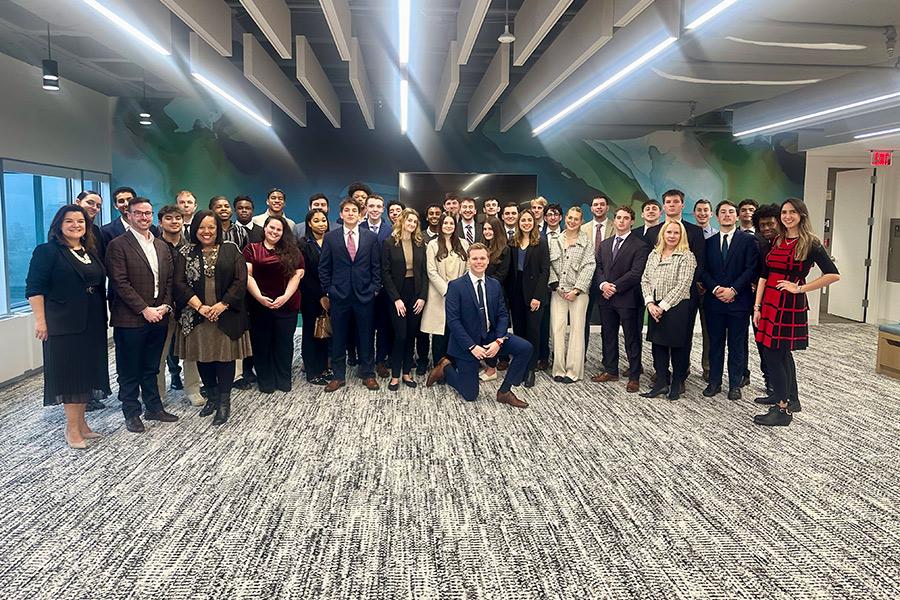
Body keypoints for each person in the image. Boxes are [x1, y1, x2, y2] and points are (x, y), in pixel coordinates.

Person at [26, 205, 111, 449]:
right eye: (70, 221)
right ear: (58, 225)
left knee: (86, 373)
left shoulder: (89, 251)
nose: (76, 225)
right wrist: (41, 321)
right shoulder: (47, 251)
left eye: (81, 221)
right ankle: (72, 429)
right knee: (71, 377)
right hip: (63, 325)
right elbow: (34, 288)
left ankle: (83, 423)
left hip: (92, 323)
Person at [752, 198, 840, 426]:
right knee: (780, 354)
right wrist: (757, 306)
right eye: (784, 212)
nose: (787, 216)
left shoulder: (811, 242)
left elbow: (833, 274)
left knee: (774, 354)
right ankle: (792, 399)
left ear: (802, 215)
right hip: (769, 302)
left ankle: (782, 410)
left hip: (788, 305)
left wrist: (800, 287)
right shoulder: (777, 240)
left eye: (792, 212)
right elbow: (764, 274)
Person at [426, 244, 531, 409]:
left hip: (490, 337)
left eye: (482, 258)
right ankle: (445, 368)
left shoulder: (494, 284)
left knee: (525, 348)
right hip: (466, 343)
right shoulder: (455, 286)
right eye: (474, 258)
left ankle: (504, 392)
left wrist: (498, 341)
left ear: (488, 261)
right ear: (468, 261)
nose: (478, 262)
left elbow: (503, 315)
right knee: (470, 395)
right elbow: (453, 321)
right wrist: (472, 346)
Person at [106, 197, 178, 433]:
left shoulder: (161, 245)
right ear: (128, 215)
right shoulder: (118, 245)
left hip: (159, 315)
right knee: (129, 368)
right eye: (139, 213)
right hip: (131, 318)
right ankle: (131, 412)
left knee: (151, 366)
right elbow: (120, 282)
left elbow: (168, 280)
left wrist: (165, 306)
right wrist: (144, 309)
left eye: (148, 213)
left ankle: (153, 407)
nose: (144, 217)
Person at [174, 210, 252, 426]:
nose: (206, 232)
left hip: (225, 313)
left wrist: (222, 305)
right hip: (196, 313)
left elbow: (240, 279)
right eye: (201, 227)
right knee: (203, 356)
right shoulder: (185, 251)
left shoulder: (231, 249)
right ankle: (212, 396)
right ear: (194, 229)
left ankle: (224, 402)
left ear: (218, 229)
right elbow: (178, 283)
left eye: (211, 227)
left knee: (224, 358)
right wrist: (200, 307)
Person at [319, 198, 382, 392]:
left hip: (364, 296)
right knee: (339, 336)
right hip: (339, 296)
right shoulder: (331, 237)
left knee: (366, 335)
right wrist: (330, 289)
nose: (351, 213)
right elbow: (324, 268)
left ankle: (368, 373)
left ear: (360, 214)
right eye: (347, 210)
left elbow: (376, 267)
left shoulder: (370, 237)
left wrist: (374, 288)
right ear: (341, 214)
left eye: (354, 210)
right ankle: (338, 376)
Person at [701, 201, 759, 400]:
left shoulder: (748, 240)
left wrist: (733, 289)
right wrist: (716, 289)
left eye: (731, 212)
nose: (727, 215)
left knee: (736, 345)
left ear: (736, 217)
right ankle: (714, 382)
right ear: (717, 217)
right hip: (714, 301)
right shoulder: (708, 242)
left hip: (739, 301)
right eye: (723, 212)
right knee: (715, 344)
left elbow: (751, 269)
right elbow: (703, 270)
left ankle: (735, 384)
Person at [646, 189, 707, 378]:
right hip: (657, 296)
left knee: (682, 338)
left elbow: (700, 263)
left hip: (684, 297)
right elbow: (649, 265)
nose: (671, 205)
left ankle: (681, 374)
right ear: (663, 207)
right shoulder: (653, 232)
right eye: (668, 202)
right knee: (658, 337)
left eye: (675, 202)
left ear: (682, 205)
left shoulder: (694, 231)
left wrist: (679, 289)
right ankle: (661, 374)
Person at [591, 206, 650, 392]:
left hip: (628, 298)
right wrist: (603, 285)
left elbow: (636, 273)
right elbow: (598, 268)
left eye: (626, 218)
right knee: (608, 335)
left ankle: (634, 376)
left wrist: (614, 287)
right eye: (618, 217)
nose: (622, 221)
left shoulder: (640, 245)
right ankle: (611, 370)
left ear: (632, 221)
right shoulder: (605, 244)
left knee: (632, 338)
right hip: (606, 298)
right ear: (614, 220)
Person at [244, 215, 304, 393]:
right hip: (260, 305)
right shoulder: (251, 249)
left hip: (287, 304)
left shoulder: (293, 251)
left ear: (283, 232)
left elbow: (298, 274)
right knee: (262, 344)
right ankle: (266, 381)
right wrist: (260, 297)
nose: (274, 232)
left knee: (284, 343)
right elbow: (248, 275)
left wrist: (285, 296)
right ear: (265, 228)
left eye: (279, 229)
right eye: (271, 228)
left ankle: (283, 379)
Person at [639, 221, 697, 401]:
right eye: (669, 232)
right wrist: (650, 304)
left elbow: (683, 285)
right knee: (658, 345)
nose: (672, 236)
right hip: (654, 305)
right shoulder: (654, 254)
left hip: (676, 306)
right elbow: (645, 280)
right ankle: (661, 383)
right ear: (663, 234)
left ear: (682, 236)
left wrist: (662, 306)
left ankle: (677, 383)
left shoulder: (687, 256)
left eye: (676, 233)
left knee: (677, 346)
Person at [382, 208, 428, 390]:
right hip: (397, 295)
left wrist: (423, 297)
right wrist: (396, 299)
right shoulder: (389, 243)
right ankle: (395, 375)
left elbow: (425, 272)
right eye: (409, 220)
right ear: (401, 221)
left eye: (414, 222)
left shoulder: (419, 243)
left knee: (411, 335)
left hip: (415, 293)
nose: (411, 224)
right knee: (400, 335)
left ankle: (407, 373)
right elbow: (385, 273)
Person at [548, 206, 594, 383]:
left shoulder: (586, 242)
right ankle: (558, 369)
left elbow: (589, 266)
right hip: (558, 292)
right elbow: (549, 265)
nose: (572, 221)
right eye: (570, 218)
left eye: (576, 219)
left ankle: (573, 371)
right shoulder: (554, 240)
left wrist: (576, 290)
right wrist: (557, 286)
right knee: (557, 330)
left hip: (579, 294)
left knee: (576, 330)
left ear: (581, 221)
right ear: (565, 218)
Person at [506, 209, 550, 388]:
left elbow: (545, 271)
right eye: (523, 220)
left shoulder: (541, 242)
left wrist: (538, 296)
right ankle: (521, 366)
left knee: (533, 332)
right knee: (519, 332)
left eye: (529, 220)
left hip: (534, 295)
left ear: (534, 222)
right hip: (516, 293)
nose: (526, 223)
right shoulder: (513, 242)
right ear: (518, 222)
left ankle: (531, 369)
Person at [421, 213, 469, 368]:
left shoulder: (464, 244)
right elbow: (431, 271)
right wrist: (447, 290)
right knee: (439, 332)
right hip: (439, 294)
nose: (448, 226)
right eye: (445, 223)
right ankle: (439, 367)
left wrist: (458, 290)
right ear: (440, 226)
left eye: (451, 223)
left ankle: (453, 364)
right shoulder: (433, 245)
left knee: (455, 330)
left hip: (460, 294)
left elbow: (469, 268)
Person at [155, 205, 192, 400]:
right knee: (159, 355)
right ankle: (159, 395)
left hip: (188, 307)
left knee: (191, 352)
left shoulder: (191, 246)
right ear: (160, 222)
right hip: (162, 308)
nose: (175, 221)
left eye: (178, 218)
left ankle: (193, 389)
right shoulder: (154, 246)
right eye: (169, 218)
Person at [749, 203, 781, 394]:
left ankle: (782, 388)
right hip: (759, 299)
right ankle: (769, 379)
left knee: (778, 346)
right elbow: (754, 268)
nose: (767, 228)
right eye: (763, 225)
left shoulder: (787, 242)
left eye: (770, 223)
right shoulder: (757, 241)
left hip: (781, 300)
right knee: (761, 341)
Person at [298, 209, 332, 385]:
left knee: (325, 332)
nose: (321, 223)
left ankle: (324, 367)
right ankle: (312, 371)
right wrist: (320, 296)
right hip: (311, 296)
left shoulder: (332, 241)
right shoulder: (303, 244)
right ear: (309, 224)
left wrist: (329, 293)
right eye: (316, 221)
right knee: (311, 333)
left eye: (324, 220)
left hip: (331, 295)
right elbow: (305, 275)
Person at [360, 194, 393, 377]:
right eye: (371, 206)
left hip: (384, 288)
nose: (374, 209)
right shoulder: (358, 228)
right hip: (363, 287)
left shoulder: (391, 230)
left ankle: (381, 360)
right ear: (366, 208)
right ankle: (366, 361)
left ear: (382, 209)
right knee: (364, 326)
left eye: (378, 206)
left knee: (383, 327)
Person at [582, 194, 615, 357]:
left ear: (607, 208)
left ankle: (608, 360)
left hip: (607, 282)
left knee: (608, 323)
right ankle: (581, 356)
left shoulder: (615, 228)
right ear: (591, 208)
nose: (599, 207)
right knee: (583, 321)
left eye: (602, 204)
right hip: (586, 281)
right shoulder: (583, 229)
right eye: (595, 205)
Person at [478, 216, 511, 382]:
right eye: (485, 229)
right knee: (485, 331)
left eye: (490, 229)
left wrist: (484, 285)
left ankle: (493, 368)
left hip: (495, 295)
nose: (487, 232)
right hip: (482, 294)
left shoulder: (505, 249)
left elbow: (502, 275)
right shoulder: (484, 247)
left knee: (496, 331)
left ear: (497, 230)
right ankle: (489, 364)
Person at [693, 198, 717, 380]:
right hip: (688, 288)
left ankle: (708, 367)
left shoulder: (717, 236)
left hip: (709, 291)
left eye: (705, 210)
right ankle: (680, 367)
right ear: (694, 213)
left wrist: (707, 284)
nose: (702, 213)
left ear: (711, 214)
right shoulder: (687, 233)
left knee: (709, 331)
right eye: (699, 210)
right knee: (682, 330)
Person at [75, 190, 105, 263]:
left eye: (98, 206)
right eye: (90, 203)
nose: (94, 208)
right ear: (78, 202)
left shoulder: (95, 230)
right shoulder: (65, 227)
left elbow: (100, 257)